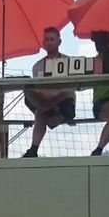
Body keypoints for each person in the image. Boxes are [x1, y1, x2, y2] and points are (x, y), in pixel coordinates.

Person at [22, 26, 78, 158]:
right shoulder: (37, 66)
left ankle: (33, 149)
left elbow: (71, 90)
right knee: (29, 94)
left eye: (52, 39)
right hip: (47, 103)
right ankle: (34, 149)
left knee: (41, 110)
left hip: (65, 104)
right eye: (46, 40)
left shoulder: (69, 62)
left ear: (59, 42)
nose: (49, 42)